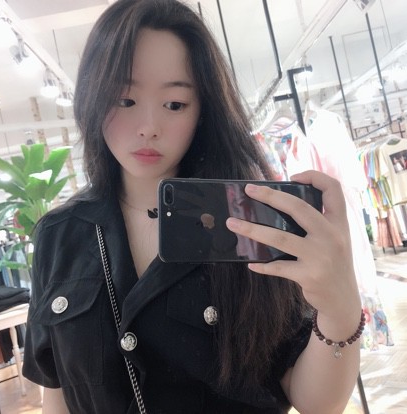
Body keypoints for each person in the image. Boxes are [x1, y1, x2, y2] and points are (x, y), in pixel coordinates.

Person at [22, 0, 363, 413]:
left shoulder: (251, 219)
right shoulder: (60, 234)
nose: (149, 127)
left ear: (203, 111)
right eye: (125, 100)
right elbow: (56, 391)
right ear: (93, 98)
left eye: (175, 104)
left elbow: (315, 403)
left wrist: (340, 309)